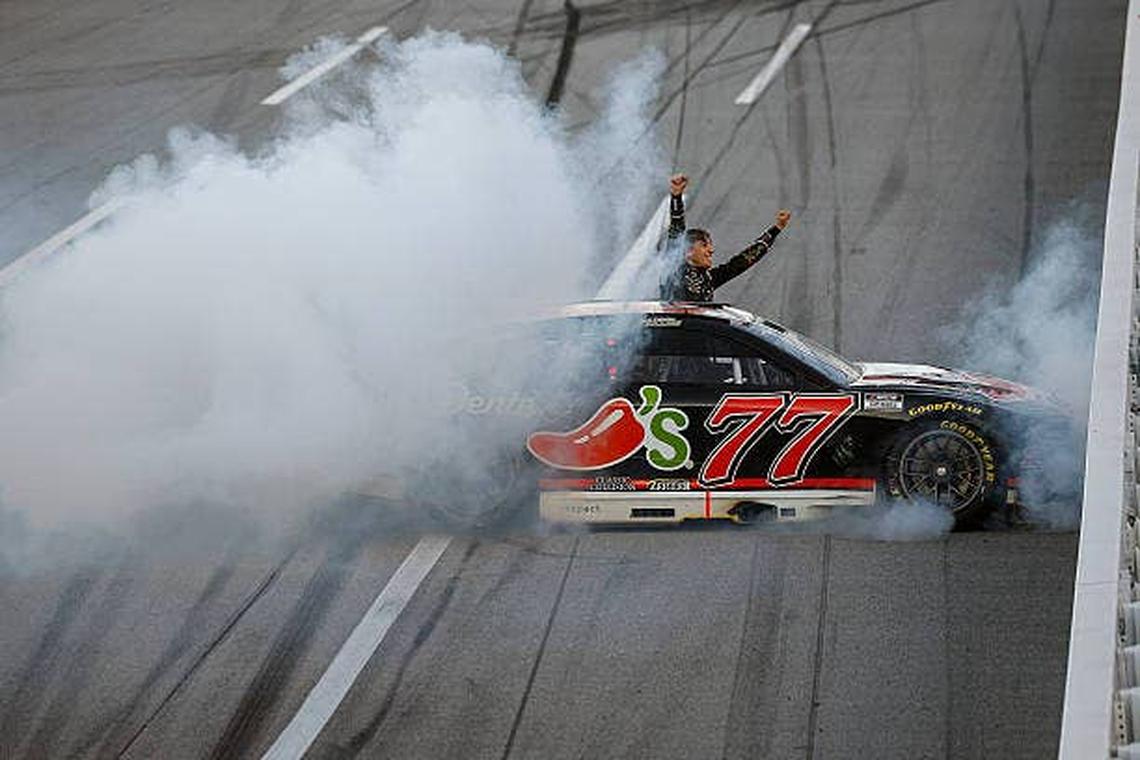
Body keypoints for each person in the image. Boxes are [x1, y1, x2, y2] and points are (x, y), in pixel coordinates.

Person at [661, 173, 792, 302]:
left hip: (699, 324)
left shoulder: (709, 279)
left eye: (710, 245)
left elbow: (743, 261)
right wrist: (676, 197)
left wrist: (776, 229)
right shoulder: (674, 268)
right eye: (704, 245)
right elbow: (676, 230)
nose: (711, 250)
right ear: (687, 251)